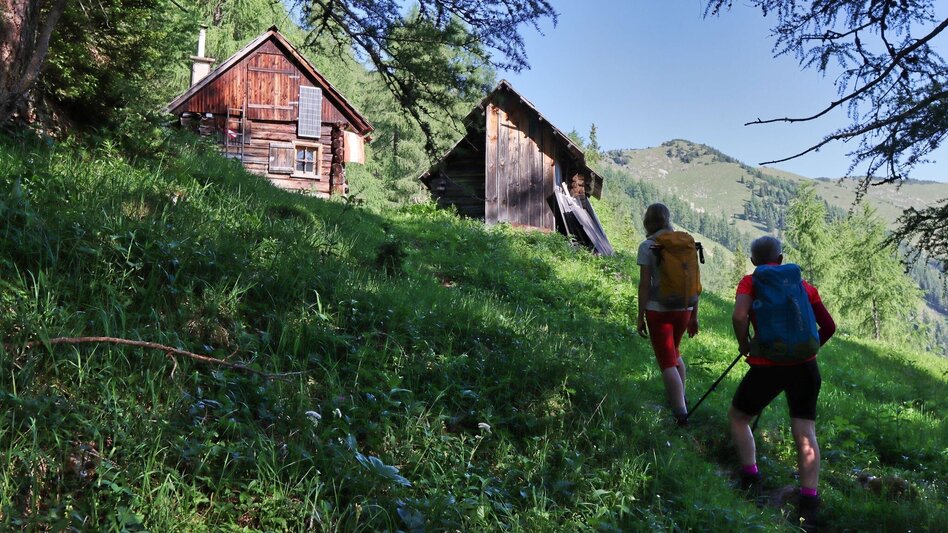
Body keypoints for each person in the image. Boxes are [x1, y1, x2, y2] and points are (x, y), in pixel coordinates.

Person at [730, 236, 836, 530]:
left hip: (768, 367)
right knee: (805, 432)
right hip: (806, 368)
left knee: (738, 417)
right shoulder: (803, 286)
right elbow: (829, 326)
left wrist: (744, 344)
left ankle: (751, 478)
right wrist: (806, 351)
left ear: (754, 261)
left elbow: (739, 315)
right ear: (781, 258)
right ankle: (809, 501)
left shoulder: (750, 282)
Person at [636, 203, 700, 426]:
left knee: (666, 362)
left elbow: (645, 285)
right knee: (674, 352)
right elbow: (694, 282)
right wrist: (694, 315)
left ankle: (680, 414)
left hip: (659, 310)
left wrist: (640, 315)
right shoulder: (685, 244)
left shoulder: (648, 246)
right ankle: (680, 397)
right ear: (667, 219)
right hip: (685, 308)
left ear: (648, 221)